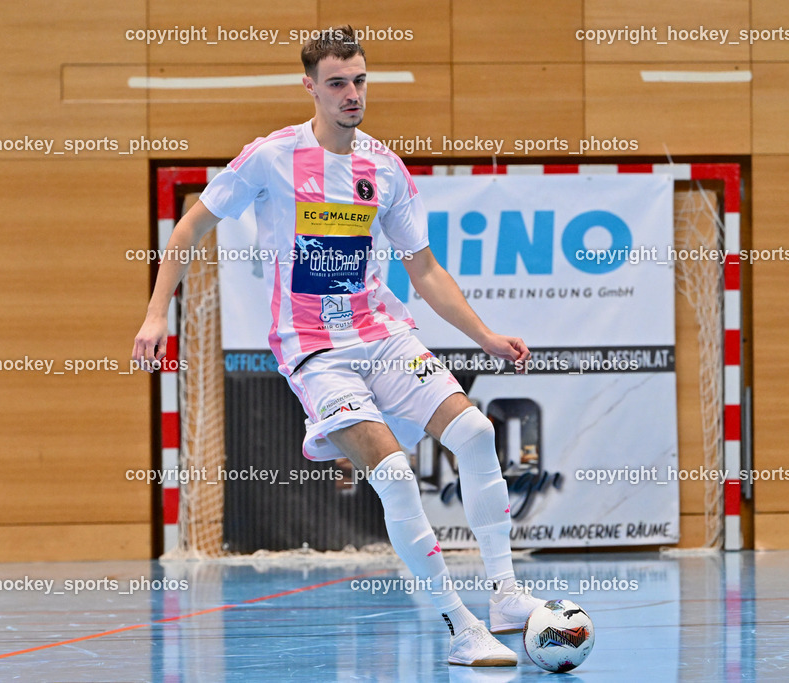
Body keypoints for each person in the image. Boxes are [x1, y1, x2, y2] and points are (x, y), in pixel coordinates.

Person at [132, 25, 544, 667]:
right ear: (310, 87)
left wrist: (485, 337)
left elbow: (426, 270)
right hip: (314, 349)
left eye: (358, 80)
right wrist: (158, 315)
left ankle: (506, 596)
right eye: (337, 83)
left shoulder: (383, 167)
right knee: (396, 476)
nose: (352, 94)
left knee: (476, 434)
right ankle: (461, 627)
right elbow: (191, 224)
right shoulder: (270, 157)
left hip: (383, 334)